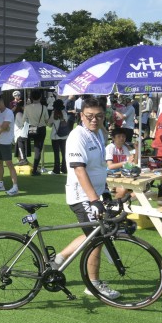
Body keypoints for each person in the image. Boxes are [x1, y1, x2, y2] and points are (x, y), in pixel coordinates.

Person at [49, 97, 120, 299]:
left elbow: (98, 167)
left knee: (93, 232)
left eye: (99, 116)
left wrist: (104, 190)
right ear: (81, 116)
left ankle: (59, 259)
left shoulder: (98, 133)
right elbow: (79, 170)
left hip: (94, 194)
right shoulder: (77, 136)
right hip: (82, 196)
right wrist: (94, 199)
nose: (94, 120)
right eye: (89, 116)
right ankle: (93, 284)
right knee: (97, 237)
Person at [0, 95, 19, 196]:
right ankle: (0, 183)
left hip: (5, 142)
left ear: (2, 102)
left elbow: (3, 128)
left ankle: (15, 186)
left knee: (9, 164)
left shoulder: (9, 112)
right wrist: (0, 129)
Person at [24, 90, 50, 175]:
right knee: (38, 149)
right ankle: (35, 169)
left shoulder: (27, 107)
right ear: (40, 97)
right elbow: (47, 120)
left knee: (32, 146)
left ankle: (25, 160)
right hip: (41, 128)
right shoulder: (43, 107)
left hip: (31, 127)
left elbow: (24, 119)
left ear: (31, 97)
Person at [49, 99, 71, 174]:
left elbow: (49, 124)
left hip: (55, 136)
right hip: (64, 136)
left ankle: (56, 169)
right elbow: (66, 121)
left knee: (56, 154)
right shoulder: (64, 113)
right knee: (64, 153)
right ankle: (64, 169)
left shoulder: (53, 114)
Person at [13, 100, 29, 165]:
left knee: (24, 147)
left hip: (23, 134)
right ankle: (22, 159)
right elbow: (22, 123)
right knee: (21, 148)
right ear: (22, 106)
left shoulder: (23, 113)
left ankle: (24, 159)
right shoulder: (19, 114)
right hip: (19, 134)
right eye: (25, 106)